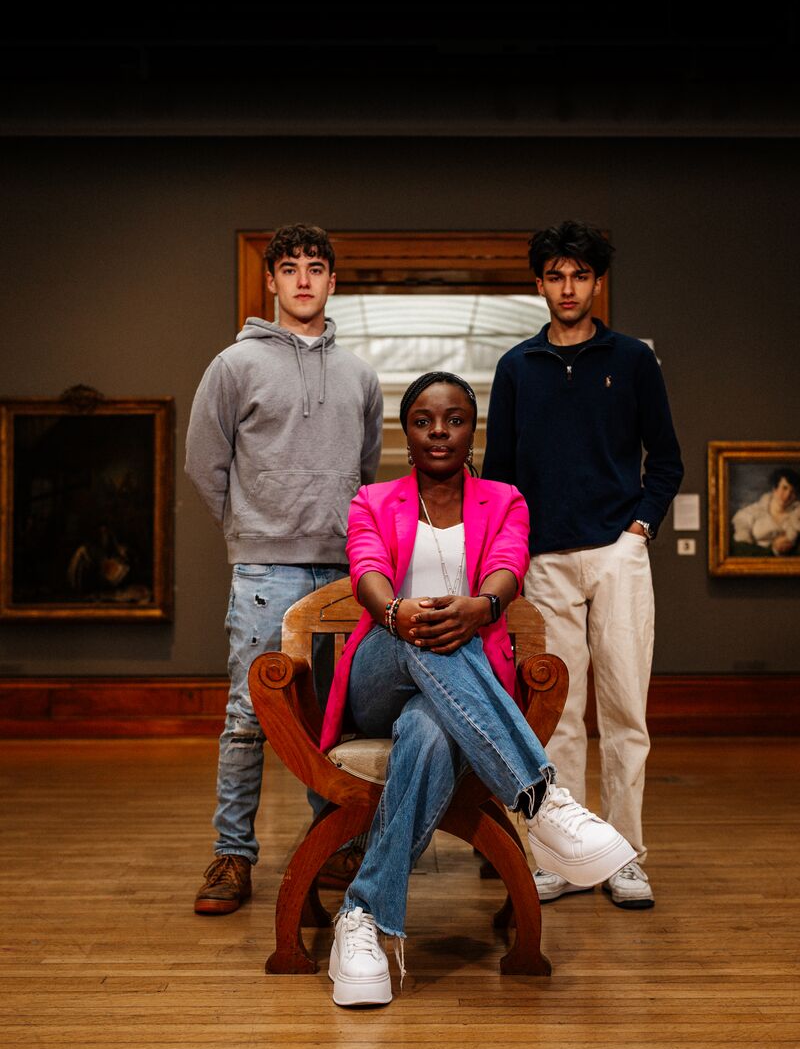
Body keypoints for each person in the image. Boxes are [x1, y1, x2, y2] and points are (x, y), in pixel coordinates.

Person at [318, 372, 637, 1007]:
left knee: (430, 731)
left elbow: (509, 569)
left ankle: (362, 918)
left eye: (455, 419)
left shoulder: (506, 499)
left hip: (452, 697)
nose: (440, 430)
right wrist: (398, 615)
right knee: (428, 630)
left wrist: (482, 608)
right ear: (406, 433)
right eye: (424, 420)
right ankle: (540, 797)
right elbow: (367, 570)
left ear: (473, 431)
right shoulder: (372, 500)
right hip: (381, 669)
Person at [483, 221, 683, 910]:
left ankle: (624, 856)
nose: (566, 288)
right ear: (538, 283)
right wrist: (510, 554)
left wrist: (638, 530)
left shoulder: (630, 361)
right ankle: (566, 858)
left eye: (579, 275)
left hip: (617, 556)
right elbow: (502, 478)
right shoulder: (515, 368)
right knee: (555, 715)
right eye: (554, 275)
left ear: (596, 283)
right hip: (542, 563)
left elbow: (668, 460)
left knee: (625, 711)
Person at [185, 223, 383, 914]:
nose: (303, 278)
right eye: (290, 267)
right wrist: (251, 529)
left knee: (329, 722)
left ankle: (328, 848)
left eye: (317, 267)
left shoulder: (360, 374)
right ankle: (232, 858)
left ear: (333, 281)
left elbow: (364, 473)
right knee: (247, 716)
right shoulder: (233, 365)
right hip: (264, 576)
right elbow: (204, 465)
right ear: (269, 280)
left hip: (337, 577)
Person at [731, 466, 800, 556]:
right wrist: (773, 550)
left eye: (793, 492)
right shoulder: (750, 512)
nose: (787, 496)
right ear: (774, 488)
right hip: (758, 564)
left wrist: (799, 528)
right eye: (784, 488)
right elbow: (741, 548)